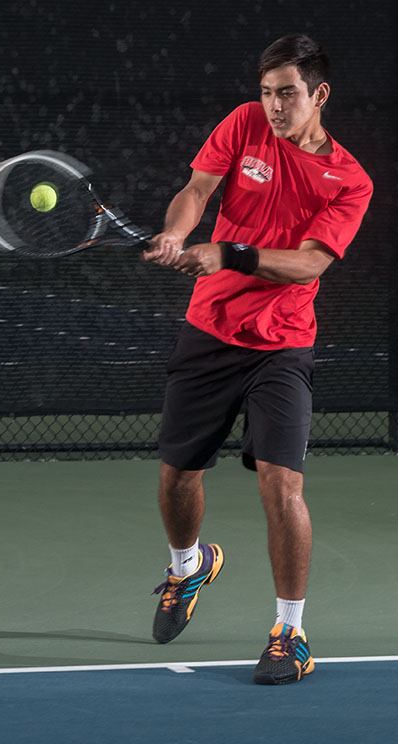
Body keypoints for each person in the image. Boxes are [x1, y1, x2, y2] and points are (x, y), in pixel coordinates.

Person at [143, 33, 373, 685]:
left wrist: (229, 252)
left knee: (281, 483)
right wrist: (177, 231)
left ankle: (288, 631)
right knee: (177, 478)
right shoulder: (244, 124)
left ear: (318, 94)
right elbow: (196, 188)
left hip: (282, 343)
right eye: (267, 92)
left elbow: (308, 264)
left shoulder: (348, 180)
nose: (273, 106)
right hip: (210, 328)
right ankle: (187, 568)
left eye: (288, 94)